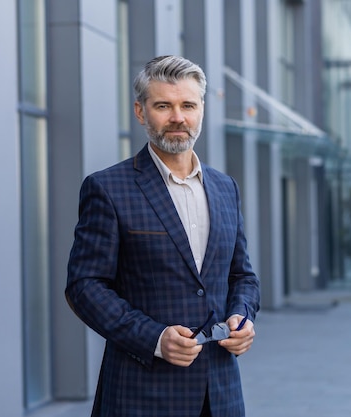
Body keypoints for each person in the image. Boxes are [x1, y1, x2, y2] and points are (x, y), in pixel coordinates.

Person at [66, 55, 260, 417]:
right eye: (163, 106)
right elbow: (85, 286)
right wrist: (153, 338)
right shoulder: (107, 188)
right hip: (141, 395)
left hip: (221, 394)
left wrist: (243, 317)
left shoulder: (225, 188)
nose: (178, 118)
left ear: (201, 109)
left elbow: (242, 276)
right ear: (141, 112)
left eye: (188, 104)